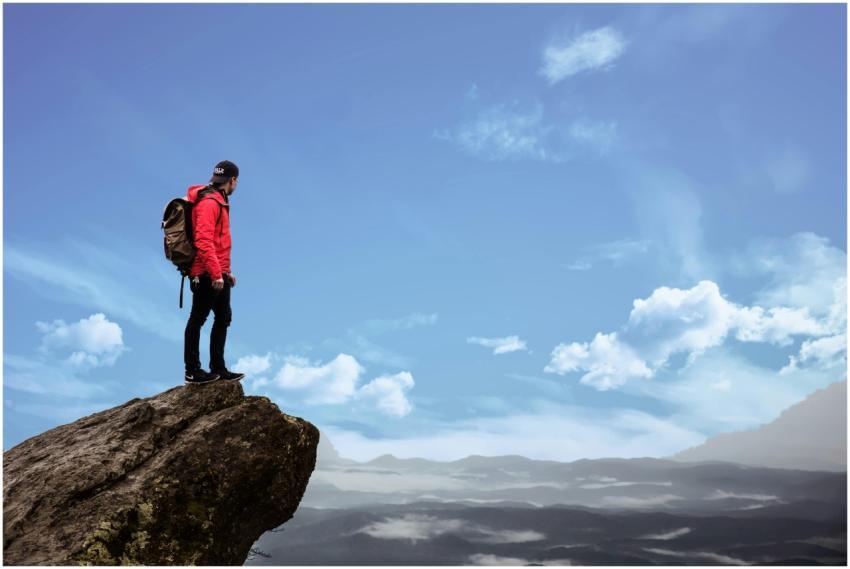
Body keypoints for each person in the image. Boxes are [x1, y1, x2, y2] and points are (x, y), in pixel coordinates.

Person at [183, 160, 246, 384]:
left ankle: (218, 368)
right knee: (197, 319)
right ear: (233, 180)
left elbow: (219, 242)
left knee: (223, 318)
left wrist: (226, 272)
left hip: (218, 271)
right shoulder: (209, 202)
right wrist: (215, 273)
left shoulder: (219, 200)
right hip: (205, 272)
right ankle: (192, 371)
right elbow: (203, 240)